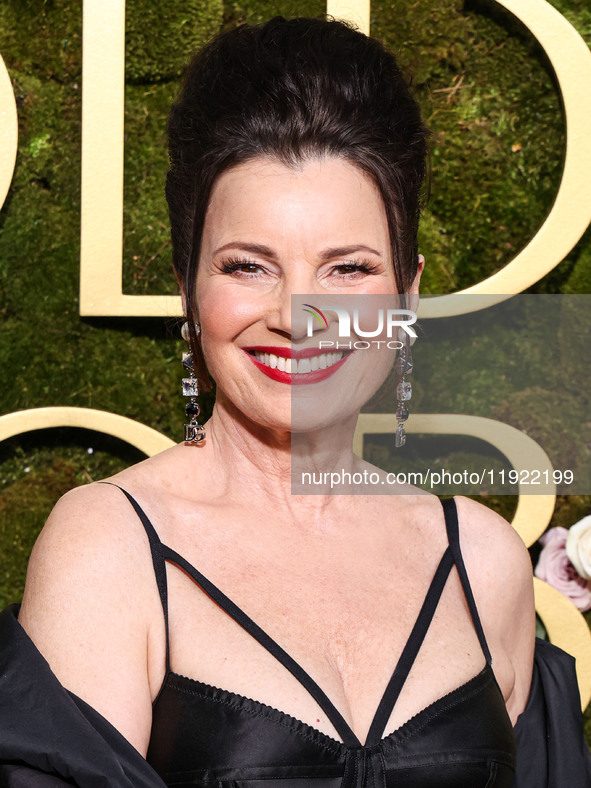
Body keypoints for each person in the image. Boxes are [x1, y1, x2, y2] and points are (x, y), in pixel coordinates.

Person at [0, 15, 589, 788]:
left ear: (405, 296)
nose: (296, 313)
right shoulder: (109, 546)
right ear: (187, 290)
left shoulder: (482, 561)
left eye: (347, 270)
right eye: (248, 266)